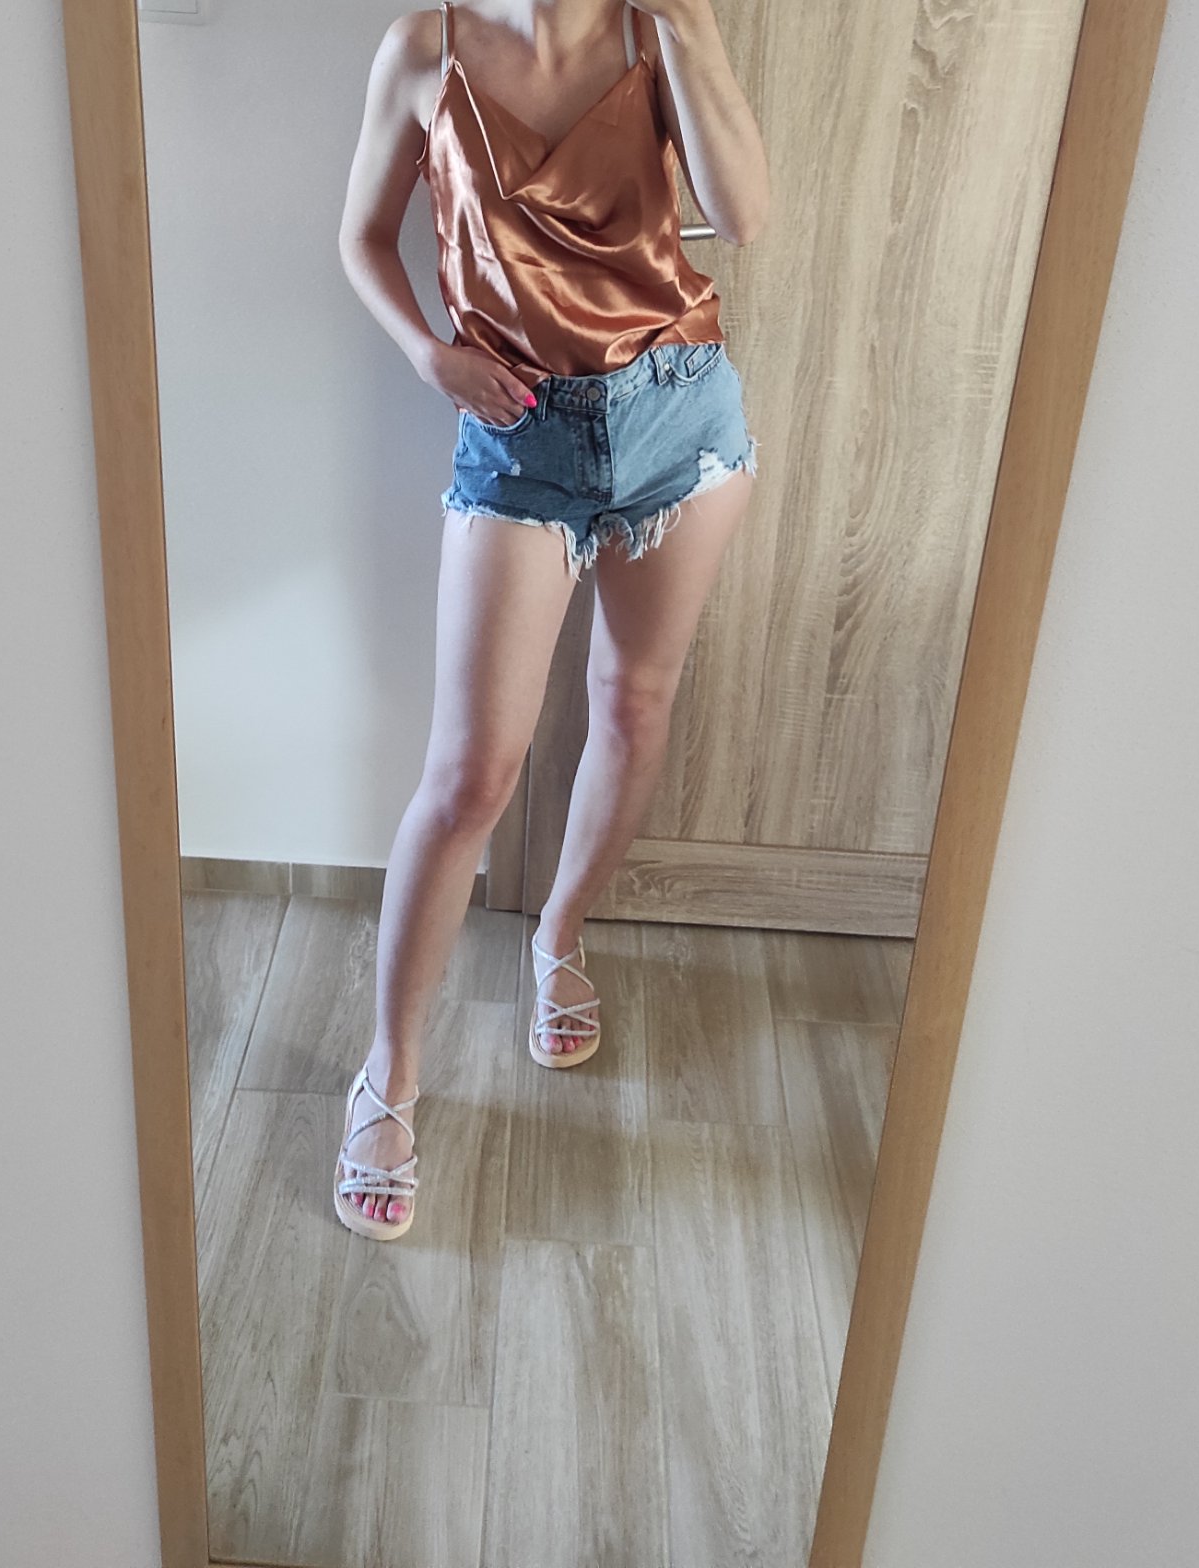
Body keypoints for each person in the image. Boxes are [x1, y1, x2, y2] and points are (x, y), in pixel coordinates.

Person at [333, 0, 770, 1239]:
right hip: (517, 431)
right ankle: (388, 1070)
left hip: (680, 414)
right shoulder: (425, 47)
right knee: (472, 770)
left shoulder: (656, 35)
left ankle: (561, 933)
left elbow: (744, 217)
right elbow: (362, 238)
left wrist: (687, 31)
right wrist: (428, 354)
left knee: (633, 704)